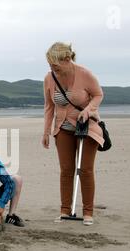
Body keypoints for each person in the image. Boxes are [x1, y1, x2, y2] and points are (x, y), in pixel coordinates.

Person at [41, 42, 104, 226]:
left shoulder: (85, 74)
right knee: (66, 171)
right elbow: (49, 106)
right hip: (63, 129)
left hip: (86, 128)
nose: (53, 69)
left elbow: (99, 95)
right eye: (50, 66)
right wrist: (46, 132)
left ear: (67, 59)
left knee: (85, 170)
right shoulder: (49, 78)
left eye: (56, 66)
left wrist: (89, 109)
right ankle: (64, 210)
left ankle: (88, 212)